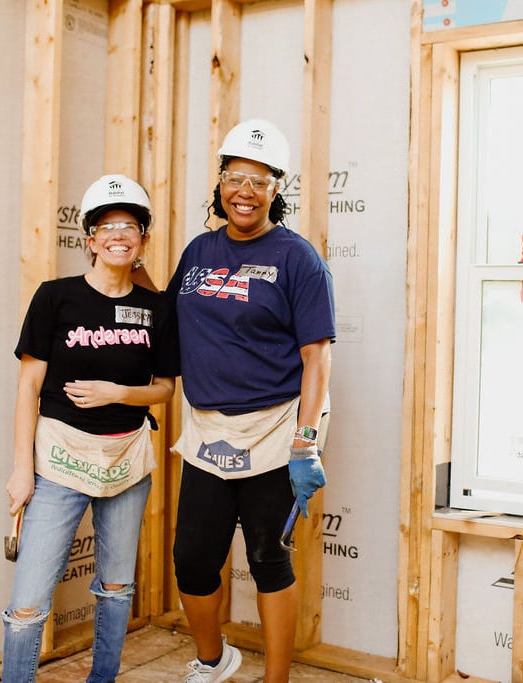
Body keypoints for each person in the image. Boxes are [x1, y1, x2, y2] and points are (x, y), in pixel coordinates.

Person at [165, 119, 336, 683]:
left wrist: (305, 443)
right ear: (219, 182)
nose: (246, 191)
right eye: (236, 177)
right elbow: (168, 324)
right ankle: (214, 661)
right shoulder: (197, 253)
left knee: (267, 560)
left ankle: (277, 679)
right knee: (192, 561)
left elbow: (317, 357)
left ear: (276, 190)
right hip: (208, 433)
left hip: (273, 431)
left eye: (260, 181)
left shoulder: (297, 259)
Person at [1, 174, 180, 683]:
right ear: (90, 239)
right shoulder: (55, 298)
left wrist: (116, 392)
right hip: (58, 461)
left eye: (130, 225)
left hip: (126, 461)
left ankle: (102, 679)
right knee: (30, 602)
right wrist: (21, 471)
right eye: (107, 226)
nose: (118, 234)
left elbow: (165, 389)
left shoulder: (157, 308)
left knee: (118, 587)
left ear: (143, 239)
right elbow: (27, 388)